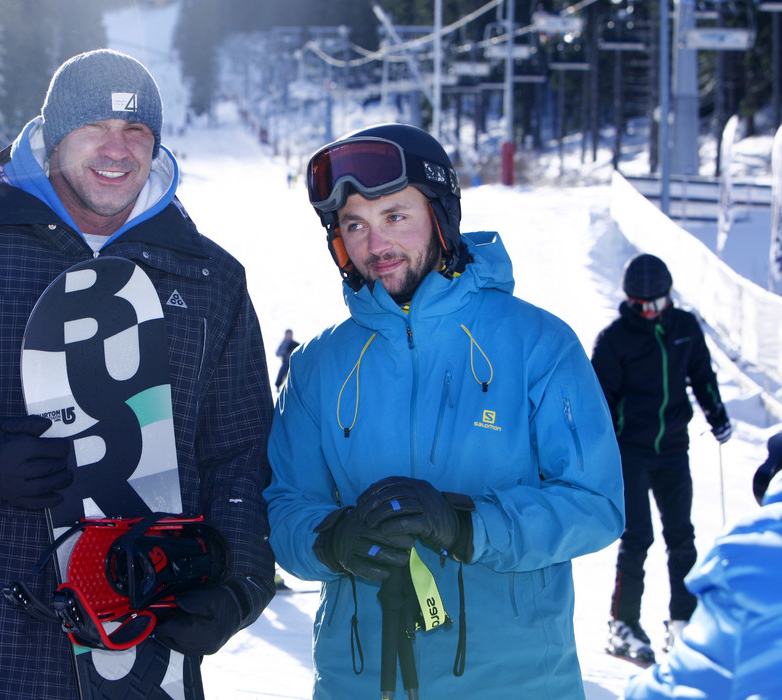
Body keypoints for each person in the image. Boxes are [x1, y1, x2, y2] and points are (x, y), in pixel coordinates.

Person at [0, 48, 275, 700]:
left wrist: (239, 584)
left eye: (136, 130)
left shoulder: (208, 277)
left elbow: (240, 451)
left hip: (137, 648)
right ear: (56, 136)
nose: (117, 149)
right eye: (95, 127)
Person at [264, 122, 625, 699]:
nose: (375, 244)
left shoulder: (537, 344)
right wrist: (331, 539)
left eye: (395, 216)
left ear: (440, 215)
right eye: (355, 225)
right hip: (359, 681)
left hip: (516, 683)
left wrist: (469, 525)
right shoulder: (318, 365)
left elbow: (596, 503)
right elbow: (284, 508)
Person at [591, 253, 732, 665]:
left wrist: (717, 415)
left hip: (672, 449)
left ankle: (683, 622)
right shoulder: (615, 339)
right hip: (631, 451)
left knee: (681, 537)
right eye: (641, 305)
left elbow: (702, 376)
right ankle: (623, 624)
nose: (651, 311)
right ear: (630, 300)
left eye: (657, 303)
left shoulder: (684, 327)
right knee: (637, 538)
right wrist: (598, 450)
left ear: (669, 296)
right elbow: (598, 402)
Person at [622, 424, 782, 699]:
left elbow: (688, 685)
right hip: (641, 449)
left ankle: (673, 620)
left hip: (667, 451)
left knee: (672, 539)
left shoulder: (765, 553)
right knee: (644, 538)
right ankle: (632, 619)